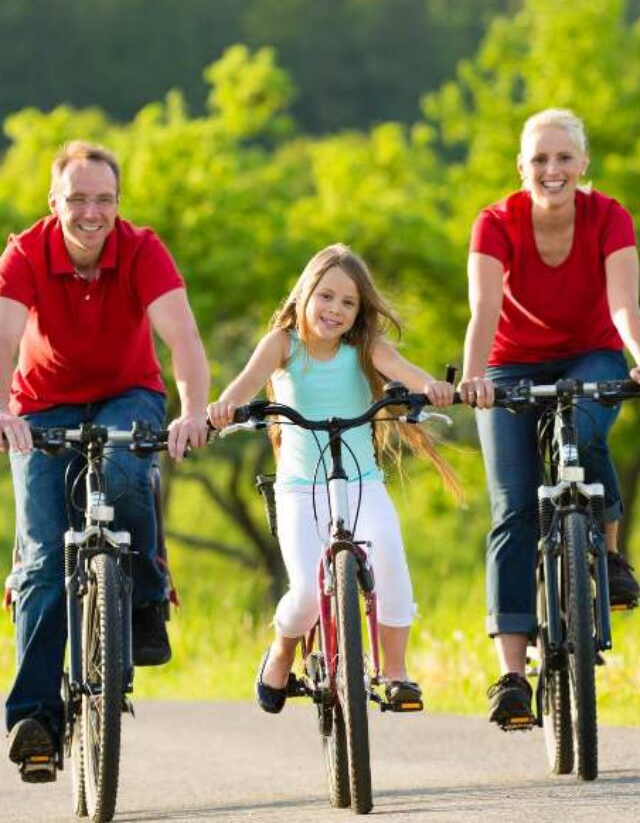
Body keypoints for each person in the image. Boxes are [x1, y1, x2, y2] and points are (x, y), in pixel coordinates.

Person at [0, 140, 210, 777]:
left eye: (104, 200)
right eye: (79, 199)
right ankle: (36, 716)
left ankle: (145, 598)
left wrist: (194, 409)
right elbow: (5, 336)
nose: (92, 213)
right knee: (41, 558)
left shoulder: (142, 249)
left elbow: (183, 336)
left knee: (125, 473)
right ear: (54, 202)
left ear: (118, 203)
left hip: (128, 393)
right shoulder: (25, 253)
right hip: (41, 404)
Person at [208, 243, 458, 713]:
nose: (335, 310)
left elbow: (408, 373)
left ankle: (397, 671)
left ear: (359, 312)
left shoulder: (366, 348)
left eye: (348, 303)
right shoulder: (282, 345)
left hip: (361, 482)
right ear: (305, 293)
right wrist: (222, 409)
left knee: (388, 555)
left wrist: (435, 388)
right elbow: (242, 384)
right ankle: (282, 652)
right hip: (301, 488)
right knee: (304, 590)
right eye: (326, 296)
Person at [458, 109, 640, 729]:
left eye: (564, 158)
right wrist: (473, 375)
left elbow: (623, 302)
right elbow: (484, 306)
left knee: (586, 433)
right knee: (513, 507)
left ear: (582, 163)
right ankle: (511, 673)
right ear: (521, 167)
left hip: (591, 352)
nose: (552, 170)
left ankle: (610, 556)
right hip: (511, 364)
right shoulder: (495, 222)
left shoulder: (609, 216)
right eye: (540, 159)